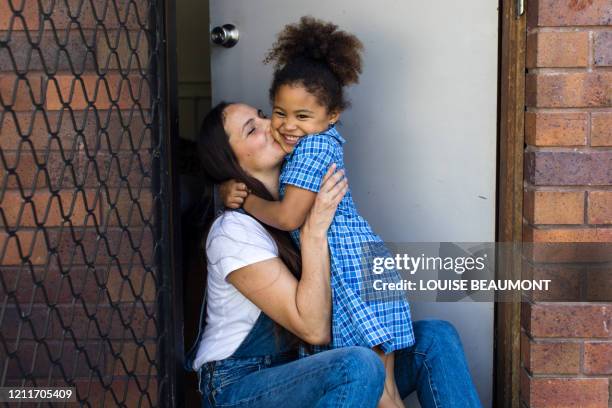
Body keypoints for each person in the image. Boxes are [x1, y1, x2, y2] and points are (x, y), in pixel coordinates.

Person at [187, 102, 483, 408]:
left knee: (435, 338)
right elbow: (313, 328)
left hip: (308, 366)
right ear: (229, 162)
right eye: (252, 129)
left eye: (262, 115)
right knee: (357, 366)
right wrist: (314, 232)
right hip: (241, 385)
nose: (269, 125)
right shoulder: (233, 232)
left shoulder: (294, 197)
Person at [220, 17, 411, 407]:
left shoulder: (311, 149)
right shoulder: (317, 143)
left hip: (351, 274)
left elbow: (290, 217)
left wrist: (247, 202)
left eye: (302, 117)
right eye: (278, 112)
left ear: (332, 115)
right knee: (386, 391)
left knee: (380, 394)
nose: (287, 126)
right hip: (368, 266)